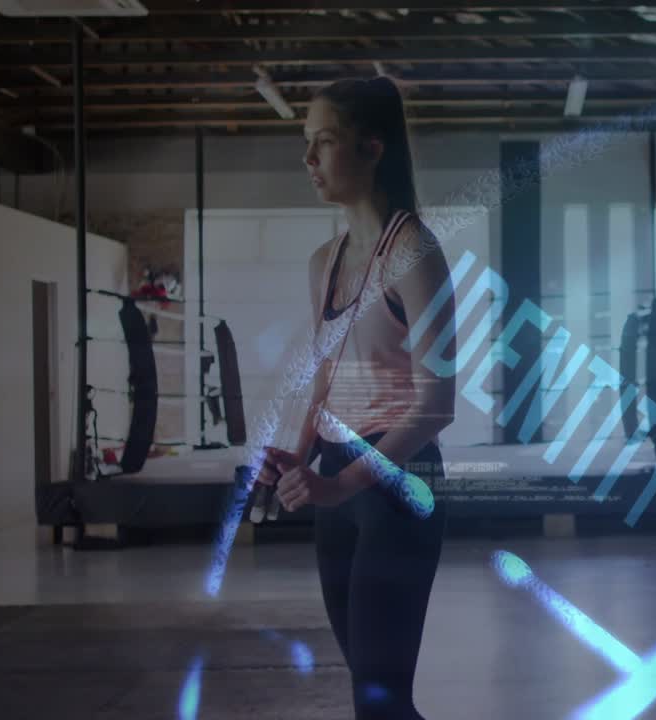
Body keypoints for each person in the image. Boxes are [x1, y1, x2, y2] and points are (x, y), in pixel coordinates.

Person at [256, 76, 457, 720]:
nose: (308, 159)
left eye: (324, 141)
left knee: (380, 700)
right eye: (306, 143)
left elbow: (437, 404)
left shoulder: (414, 252)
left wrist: (341, 485)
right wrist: (296, 454)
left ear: (372, 148)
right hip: (338, 481)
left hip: (397, 483)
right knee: (374, 696)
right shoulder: (326, 260)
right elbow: (325, 375)